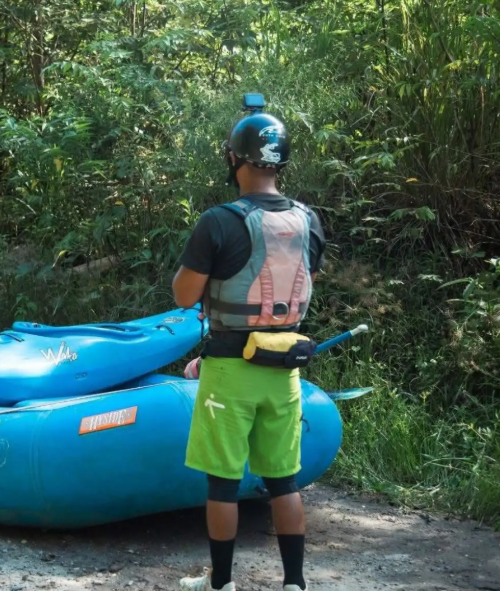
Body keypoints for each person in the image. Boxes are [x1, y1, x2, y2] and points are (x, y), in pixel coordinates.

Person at [171, 109, 326, 591]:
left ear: (234, 159)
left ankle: (221, 584)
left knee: (221, 482)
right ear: (282, 161)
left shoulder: (218, 222)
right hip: (285, 371)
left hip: (230, 371)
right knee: (283, 479)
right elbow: (302, 288)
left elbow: (183, 295)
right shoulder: (309, 221)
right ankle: (294, 583)